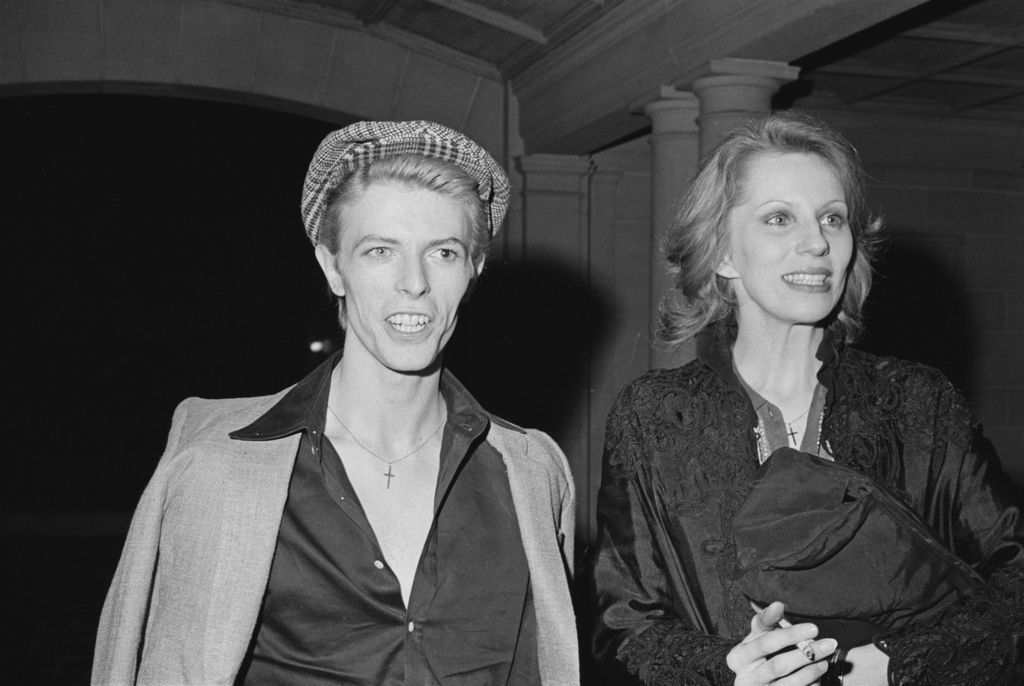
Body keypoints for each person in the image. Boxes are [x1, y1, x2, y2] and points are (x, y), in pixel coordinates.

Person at [92, 120, 579, 685]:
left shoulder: (531, 471)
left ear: (474, 269)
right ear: (332, 267)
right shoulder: (216, 466)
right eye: (380, 251)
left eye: (443, 252)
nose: (414, 283)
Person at [591, 111, 1024, 685]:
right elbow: (626, 626)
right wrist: (729, 671)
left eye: (832, 218)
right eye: (778, 218)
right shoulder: (654, 415)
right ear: (721, 252)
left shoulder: (919, 402)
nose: (816, 241)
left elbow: (1014, 584)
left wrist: (894, 665)